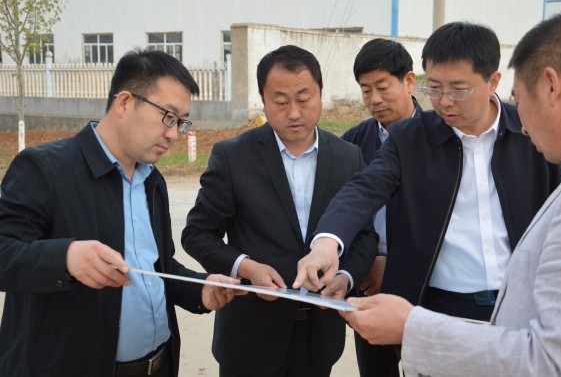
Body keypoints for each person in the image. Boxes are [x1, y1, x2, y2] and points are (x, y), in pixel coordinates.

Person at [341, 12, 561, 376]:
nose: (522, 124)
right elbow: (362, 190)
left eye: (521, 98)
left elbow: (556, 364)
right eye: (435, 89)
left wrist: (412, 328)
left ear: (550, 86)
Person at [310, 21, 561, 369]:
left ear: (492, 81)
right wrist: (327, 243)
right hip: (438, 308)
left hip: (519, 306)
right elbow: (363, 189)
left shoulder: (529, 132)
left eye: (458, 89)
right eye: (434, 88)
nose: (444, 102)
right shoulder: (410, 139)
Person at [0, 49, 244, 377]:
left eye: (181, 121)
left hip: (157, 365)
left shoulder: (151, 179)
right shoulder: (45, 169)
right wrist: (66, 257)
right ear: (125, 102)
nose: (173, 133)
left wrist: (200, 288)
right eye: (168, 116)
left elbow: (156, 267)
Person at [181, 45, 378, 377]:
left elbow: (365, 235)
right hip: (250, 336)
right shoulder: (233, 157)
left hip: (319, 336)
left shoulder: (347, 157)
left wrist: (345, 277)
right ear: (263, 100)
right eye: (281, 102)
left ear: (320, 93)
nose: (295, 113)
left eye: (304, 99)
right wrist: (247, 268)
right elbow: (197, 234)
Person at [342, 38, 422, 377]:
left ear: (408, 81)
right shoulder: (351, 144)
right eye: (365, 90)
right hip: (369, 281)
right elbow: (343, 212)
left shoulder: (439, 139)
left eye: (382, 87)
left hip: (424, 287)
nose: (374, 99)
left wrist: (398, 265)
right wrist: (365, 263)